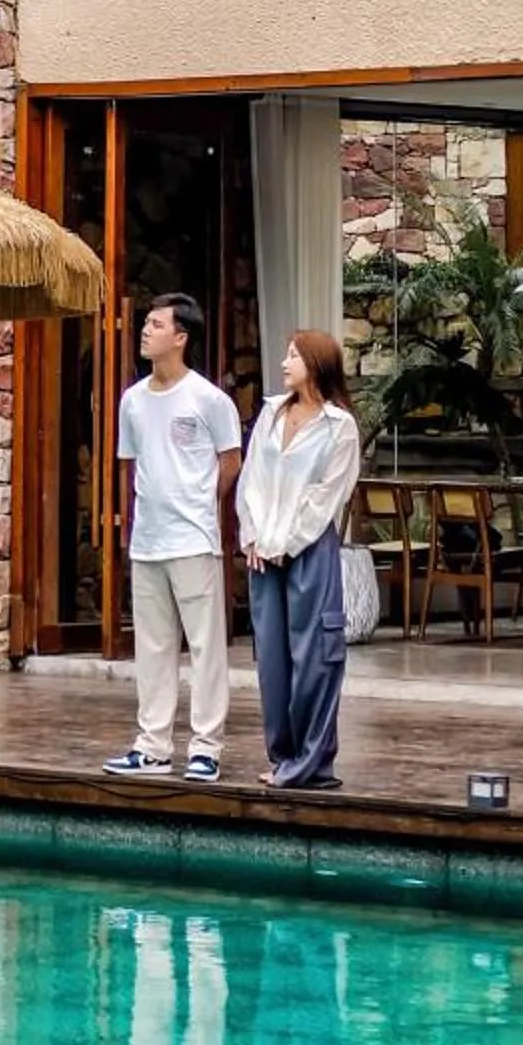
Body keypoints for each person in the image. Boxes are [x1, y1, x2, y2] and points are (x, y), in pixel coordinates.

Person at [104, 295, 243, 784]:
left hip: (193, 539)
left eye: (155, 324)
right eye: (145, 323)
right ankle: (153, 745)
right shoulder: (133, 399)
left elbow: (231, 461)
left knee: (205, 647)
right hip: (148, 540)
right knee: (153, 646)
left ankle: (206, 747)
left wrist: (204, 500)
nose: (145, 331)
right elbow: (132, 465)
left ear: (180, 337)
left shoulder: (209, 399)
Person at [237, 329, 363, 790]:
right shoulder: (270, 412)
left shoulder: (339, 426)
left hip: (308, 551)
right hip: (261, 554)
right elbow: (251, 480)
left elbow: (328, 496)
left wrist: (284, 543)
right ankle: (283, 756)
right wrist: (251, 536)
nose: (285, 361)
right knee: (272, 657)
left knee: (315, 656)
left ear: (317, 364)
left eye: (294, 355)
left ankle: (311, 763)